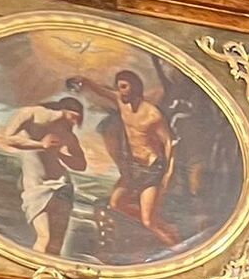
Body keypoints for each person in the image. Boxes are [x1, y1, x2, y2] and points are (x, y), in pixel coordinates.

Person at [70, 69, 177, 248]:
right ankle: (160, 224)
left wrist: (168, 173)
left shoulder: (152, 114)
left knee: (148, 222)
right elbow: (101, 91)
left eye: (124, 87)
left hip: (152, 168)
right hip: (133, 167)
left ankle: (177, 247)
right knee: (116, 203)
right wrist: (85, 81)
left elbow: (168, 143)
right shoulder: (121, 101)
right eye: (118, 87)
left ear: (135, 88)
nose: (120, 92)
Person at [1, 96, 87, 255]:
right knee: (44, 238)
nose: (74, 123)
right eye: (74, 117)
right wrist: (41, 145)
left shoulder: (67, 135)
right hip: (36, 188)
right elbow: (8, 138)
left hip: (61, 186)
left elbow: (81, 164)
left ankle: (52, 271)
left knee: (56, 243)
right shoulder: (32, 114)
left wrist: (59, 154)